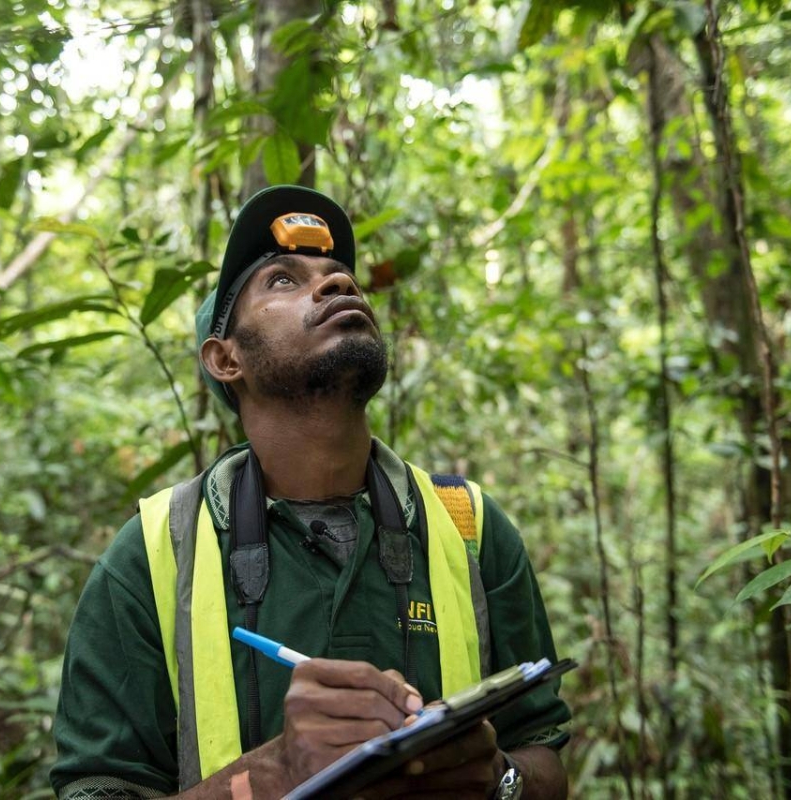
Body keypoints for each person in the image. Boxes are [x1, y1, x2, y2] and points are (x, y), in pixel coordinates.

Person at [51, 186, 571, 799]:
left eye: (339, 275)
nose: (336, 285)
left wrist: (498, 780)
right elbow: (93, 787)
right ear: (225, 359)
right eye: (282, 280)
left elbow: (545, 755)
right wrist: (275, 772)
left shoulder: (470, 527)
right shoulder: (153, 555)